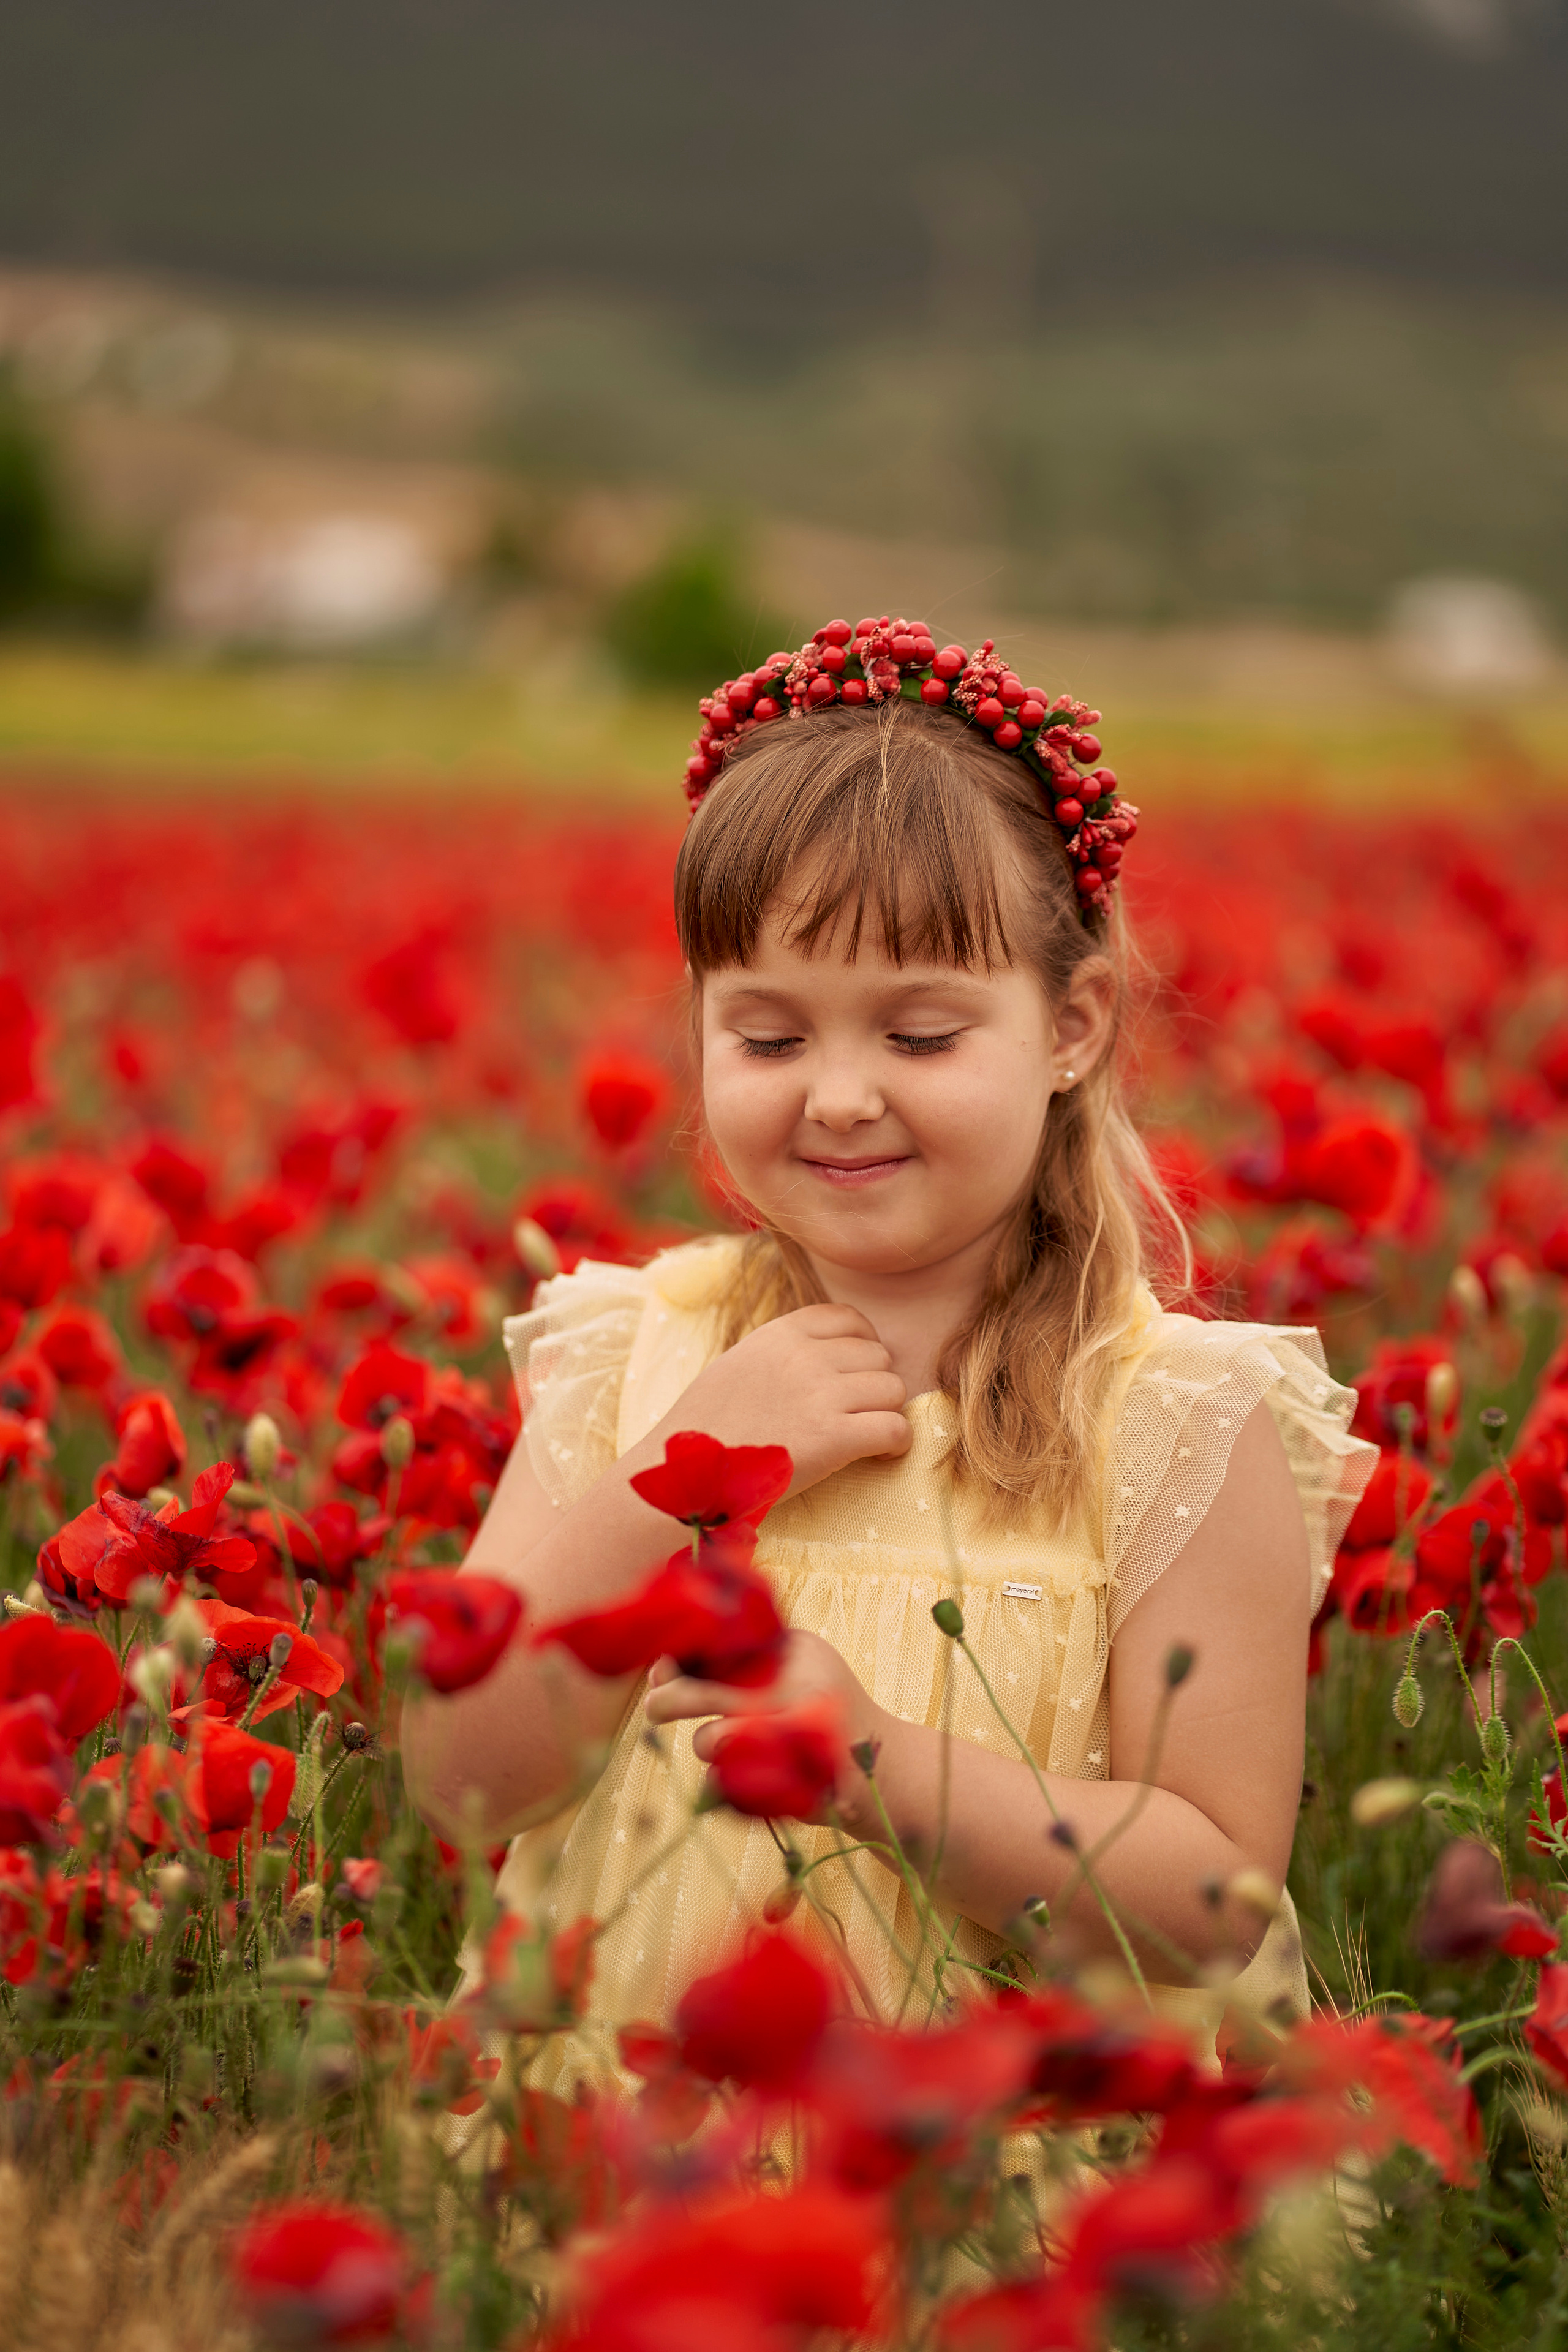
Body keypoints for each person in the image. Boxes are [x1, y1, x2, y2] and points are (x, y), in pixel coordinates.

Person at [402, 617, 1377, 2094]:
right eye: (769, 1039)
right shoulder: (637, 1356)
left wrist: (865, 1757)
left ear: (1069, 1025)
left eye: (918, 1035)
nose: (839, 1096)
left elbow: (1213, 1905)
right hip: (642, 2161)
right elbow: (466, 1785)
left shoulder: (1176, 1420)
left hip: (1007, 2189)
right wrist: (677, 1481)